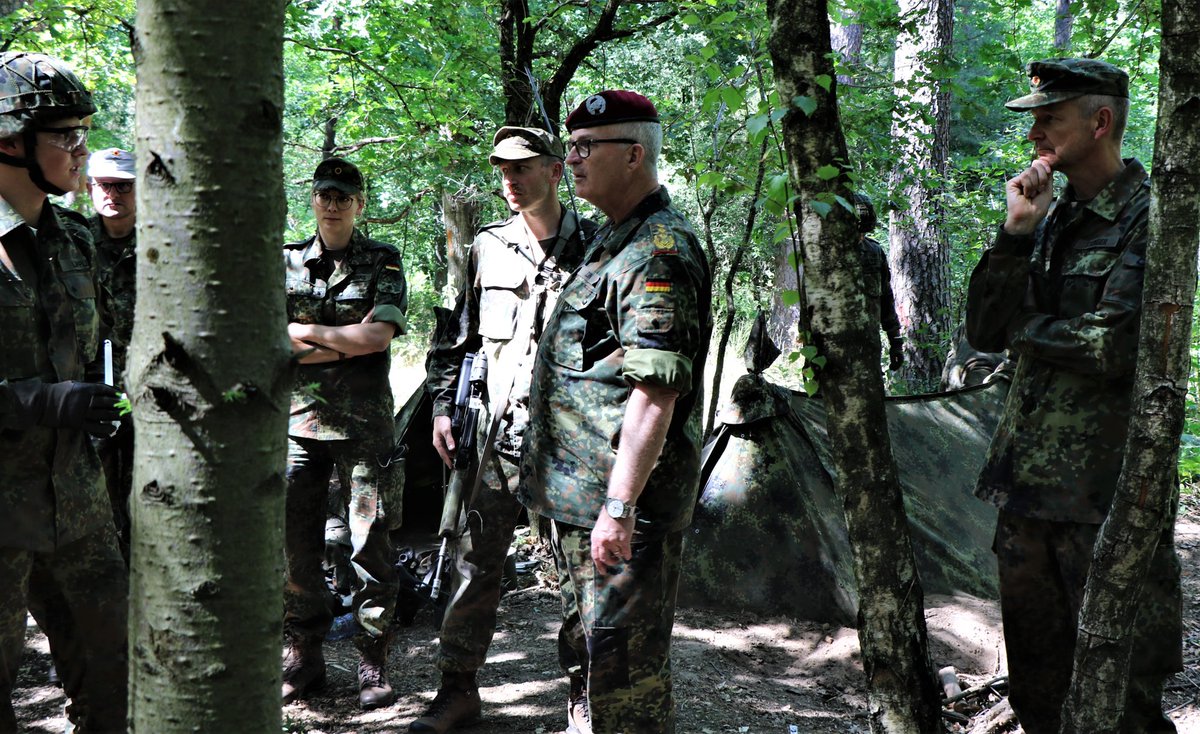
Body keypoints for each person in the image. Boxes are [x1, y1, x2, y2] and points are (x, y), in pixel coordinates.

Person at [965, 58, 1182, 733]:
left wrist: (1025, 331)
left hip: (1106, 499)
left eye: (1048, 118)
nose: (1035, 134)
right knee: (1038, 692)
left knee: (1124, 702)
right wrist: (1015, 232)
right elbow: (983, 330)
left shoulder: (1152, 220)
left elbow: (1108, 346)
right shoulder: (1052, 216)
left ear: (1100, 121)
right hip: (1028, 492)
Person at [518, 90, 712, 734]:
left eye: (584, 148)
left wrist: (619, 508)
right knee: (596, 657)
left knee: (629, 680)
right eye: (569, 146)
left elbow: (657, 392)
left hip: (624, 507)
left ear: (633, 155)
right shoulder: (614, 238)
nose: (570, 160)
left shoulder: (657, 251)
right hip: (582, 500)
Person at [411, 126, 595, 733]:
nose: (511, 181)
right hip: (496, 441)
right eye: (502, 170)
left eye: (523, 168)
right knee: (471, 568)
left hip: (573, 446)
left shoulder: (596, 245)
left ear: (554, 171)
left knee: (581, 581)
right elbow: (454, 336)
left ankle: (583, 698)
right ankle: (457, 689)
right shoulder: (485, 247)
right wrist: (442, 407)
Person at [0, 51, 129, 733]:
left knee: (114, 677)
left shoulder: (74, 240)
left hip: (79, 503)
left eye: (85, 131)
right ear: (9, 141)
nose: (82, 150)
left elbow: (113, 338)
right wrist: (42, 402)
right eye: (66, 135)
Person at [282, 157, 408, 709]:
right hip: (298, 424)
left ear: (359, 204)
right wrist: (342, 340)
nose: (333, 203)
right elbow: (270, 340)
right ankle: (303, 657)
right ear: (313, 200)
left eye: (344, 196)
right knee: (293, 546)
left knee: (370, 545)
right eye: (324, 194)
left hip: (364, 427)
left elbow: (379, 337)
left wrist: (303, 334)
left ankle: (371, 661)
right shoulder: (285, 261)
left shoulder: (382, 260)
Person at [87, 147, 137, 558]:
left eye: (123, 186)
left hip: (153, 398)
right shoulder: (72, 244)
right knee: (96, 505)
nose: (112, 194)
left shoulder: (166, 249)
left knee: (149, 503)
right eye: (104, 185)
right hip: (90, 396)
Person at [851, 193, 903, 371]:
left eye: (862, 232)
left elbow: (886, 298)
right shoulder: (826, 254)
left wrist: (895, 341)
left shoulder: (874, 252)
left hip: (868, 344)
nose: (860, 236)